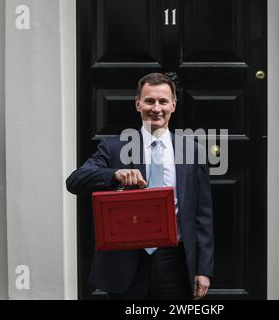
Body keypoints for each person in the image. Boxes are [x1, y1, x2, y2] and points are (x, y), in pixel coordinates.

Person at [66, 73, 214, 300]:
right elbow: (75, 180)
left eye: (163, 101)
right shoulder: (114, 146)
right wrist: (114, 174)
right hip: (125, 263)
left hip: (175, 262)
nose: (156, 108)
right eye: (149, 101)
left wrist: (203, 270)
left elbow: (203, 215)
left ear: (173, 105)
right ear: (138, 104)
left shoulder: (192, 150)